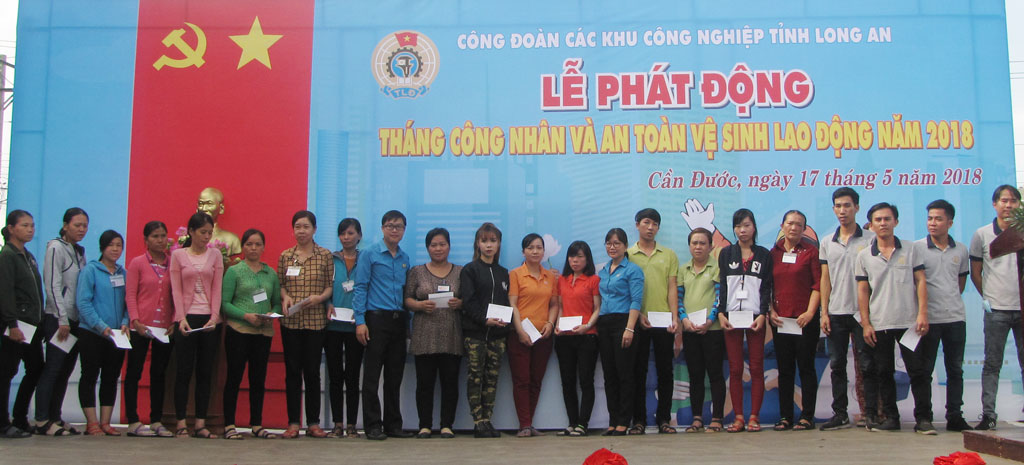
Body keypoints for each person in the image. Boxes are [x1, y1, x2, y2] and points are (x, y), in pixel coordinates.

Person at [856, 202, 933, 434]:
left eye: (887, 219)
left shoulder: (911, 249)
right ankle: (891, 418)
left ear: (896, 222)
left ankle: (924, 419)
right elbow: (862, 291)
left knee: (918, 372)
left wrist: (922, 313)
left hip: (910, 323)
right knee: (884, 373)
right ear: (871, 225)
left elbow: (920, 280)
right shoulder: (864, 256)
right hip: (880, 323)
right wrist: (866, 323)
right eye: (878, 220)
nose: (883, 223)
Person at [818, 187, 876, 431]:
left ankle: (871, 414)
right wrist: (824, 312)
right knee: (837, 365)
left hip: (863, 314)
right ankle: (840, 413)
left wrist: (869, 317)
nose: (843, 210)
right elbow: (825, 279)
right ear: (834, 209)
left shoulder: (871, 239)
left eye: (847, 206)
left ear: (857, 208)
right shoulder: (826, 242)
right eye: (838, 206)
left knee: (867, 365)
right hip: (837, 311)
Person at [916, 200, 972, 432]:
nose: (932, 223)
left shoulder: (961, 250)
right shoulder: (917, 249)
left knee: (955, 370)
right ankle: (924, 417)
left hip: (955, 318)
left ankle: (955, 416)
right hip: (928, 319)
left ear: (950, 222)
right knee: (924, 371)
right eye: (930, 218)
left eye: (938, 219)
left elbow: (960, 283)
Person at [353, 210, 410, 440]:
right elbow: (360, 287)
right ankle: (373, 425)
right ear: (382, 228)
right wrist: (360, 322)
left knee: (394, 377)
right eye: (390, 226)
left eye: (399, 226)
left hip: (399, 321)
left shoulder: (404, 258)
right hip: (376, 320)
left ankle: (393, 425)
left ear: (404, 230)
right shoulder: (369, 254)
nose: (394, 230)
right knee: (372, 377)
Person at [277, 210, 334, 438]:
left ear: (314, 229)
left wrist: (320, 298)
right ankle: (293, 423)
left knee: (312, 372)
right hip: (291, 321)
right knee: (292, 372)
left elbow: (330, 286)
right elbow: (281, 284)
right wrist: (285, 297)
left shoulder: (324, 255)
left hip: (315, 322)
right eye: (298, 227)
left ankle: (313, 423)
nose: (301, 231)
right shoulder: (285, 256)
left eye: (306, 227)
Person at [972, 185, 1024, 430]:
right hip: (997, 311)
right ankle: (989, 415)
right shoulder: (982, 234)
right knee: (992, 364)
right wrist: (988, 297)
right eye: (1004, 200)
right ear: (995, 204)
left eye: (1013, 201)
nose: (1008, 205)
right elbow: (976, 272)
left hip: (1022, 309)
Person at [221, 229, 281, 440]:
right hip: (239, 331)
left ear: (263, 247)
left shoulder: (270, 273)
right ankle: (229, 424)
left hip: (263, 333)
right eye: (249, 244)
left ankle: (256, 424)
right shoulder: (234, 271)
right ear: (243, 247)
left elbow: (276, 302)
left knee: (258, 379)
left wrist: (271, 314)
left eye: (257, 244)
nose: (253, 248)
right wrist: (245, 316)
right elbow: (224, 304)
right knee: (234, 377)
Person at [404, 228, 463, 439]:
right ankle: (425, 426)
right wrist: (419, 305)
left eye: (442, 244)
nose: (438, 249)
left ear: (449, 246)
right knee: (424, 384)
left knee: (450, 383)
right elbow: (407, 299)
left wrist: (460, 303)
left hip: (452, 335)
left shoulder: (460, 272)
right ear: (427, 248)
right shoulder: (417, 271)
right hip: (424, 335)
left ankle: (447, 425)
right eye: (434, 245)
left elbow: (468, 299)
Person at [34, 207, 88, 436]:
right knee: (53, 369)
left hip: (74, 320)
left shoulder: (79, 251)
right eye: (77, 225)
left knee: (65, 371)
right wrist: (62, 318)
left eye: (85, 226)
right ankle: (41, 420)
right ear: (65, 226)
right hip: (58, 319)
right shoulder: (55, 248)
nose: (81, 229)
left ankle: (55, 416)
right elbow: (52, 284)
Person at [170, 212, 224, 438]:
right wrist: (180, 318)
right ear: (191, 232)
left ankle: (201, 423)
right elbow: (176, 288)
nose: (206, 237)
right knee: (183, 371)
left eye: (210, 233)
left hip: (209, 320)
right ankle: (181, 422)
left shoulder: (215, 255)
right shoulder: (178, 255)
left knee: (205, 372)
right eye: (203, 232)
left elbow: (217, 288)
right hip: (186, 319)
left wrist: (214, 316)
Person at [718, 208, 772, 433]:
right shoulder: (726, 254)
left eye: (747, 225)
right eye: (738, 226)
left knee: (757, 368)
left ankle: (754, 417)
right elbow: (722, 285)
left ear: (754, 227)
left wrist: (763, 314)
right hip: (731, 318)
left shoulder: (764, 254)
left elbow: (766, 287)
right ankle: (739, 417)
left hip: (755, 318)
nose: (742, 230)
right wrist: (721, 313)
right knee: (735, 369)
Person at [626, 208, 679, 434]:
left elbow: (672, 287)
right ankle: (638, 420)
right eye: (646, 222)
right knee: (638, 372)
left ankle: (664, 419)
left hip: (664, 321)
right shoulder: (628, 254)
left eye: (655, 224)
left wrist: (675, 317)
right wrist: (638, 315)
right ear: (637, 224)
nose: (650, 227)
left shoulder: (669, 254)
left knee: (665, 371)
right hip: (638, 321)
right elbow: (625, 290)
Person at [767, 211, 821, 431]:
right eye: (790, 223)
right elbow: (767, 286)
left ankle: (807, 416)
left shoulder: (811, 252)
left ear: (804, 229)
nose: (794, 228)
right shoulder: (773, 253)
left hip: (804, 321)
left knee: (806, 368)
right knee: (785, 370)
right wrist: (770, 311)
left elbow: (818, 286)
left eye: (799, 225)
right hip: (781, 321)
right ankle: (785, 417)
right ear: (782, 225)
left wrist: (809, 313)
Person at [123, 221, 175, 437]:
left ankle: (156, 420)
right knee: (134, 372)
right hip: (141, 327)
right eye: (155, 236)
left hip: (164, 327)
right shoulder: (137, 263)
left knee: (159, 374)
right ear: (146, 240)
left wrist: (173, 320)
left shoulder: (173, 263)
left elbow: (177, 294)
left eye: (163, 236)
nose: (160, 240)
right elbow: (130, 294)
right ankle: (133, 420)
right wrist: (135, 320)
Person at [460, 222, 510, 438]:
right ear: (477, 244)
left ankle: (487, 419)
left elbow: (507, 303)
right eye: (484, 241)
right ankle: (478, 420)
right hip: (475, 334)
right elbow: (468, 302)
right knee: (475, 377)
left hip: (498, 336)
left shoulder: (503, 273)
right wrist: (484, 320)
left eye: (493, 241)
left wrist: (505, 321)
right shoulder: (470, 270)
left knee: (492, 378)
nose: (489, 245)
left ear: (499, 244)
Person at [76, 230, 129, 436]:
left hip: (116, 335)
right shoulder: (90, 270)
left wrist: (124, 323)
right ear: (102, 247)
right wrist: (100, 326)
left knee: (111, 377)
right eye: (111, 245)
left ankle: (106, 422)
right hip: (92, 333)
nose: (115, 249)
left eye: (119, 245)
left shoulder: (123, 273)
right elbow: (83, 302)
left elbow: (128, 303)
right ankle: (92, 423)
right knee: (89, 376)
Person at [509, 233, 558, 437]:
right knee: (522, 380)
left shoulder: (550, 277)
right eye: (530, 248)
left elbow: (554, 304)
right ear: (523, 251)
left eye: (539, 247)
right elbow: (513, 304)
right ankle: (524, 425)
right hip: (519, 335)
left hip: (543, 336)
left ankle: (529, 423)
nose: (535, 251)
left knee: (536, 380)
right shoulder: (515, 274)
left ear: (544, 251)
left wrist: (550, 323)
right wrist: (520, 331)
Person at [0, 210, 44, 439]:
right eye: (25, 225)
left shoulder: (27, 256)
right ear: (11, 229)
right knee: (6, 372)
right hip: (16, 325)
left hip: (32, 325)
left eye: (32, 225)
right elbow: (5, 291)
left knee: (36, 367)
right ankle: (3, 423)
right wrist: (12, 324)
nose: (30, 229)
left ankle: (20, 418)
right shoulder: (7, 255)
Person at [597, 228, 644, 436]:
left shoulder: (633, 270)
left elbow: (636, 301)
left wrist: (629, 328)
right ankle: (613, 420)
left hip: (624, 322)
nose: (612, 247)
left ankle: (624, 420)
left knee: (625, 374)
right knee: (609, 375)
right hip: (604, 323)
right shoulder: (603, 270)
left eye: (617, 243)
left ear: (625, 246)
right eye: (609, 243)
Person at [678, 227, 725, 433]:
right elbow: (679, 298)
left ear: (711, 246)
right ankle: (697, 418)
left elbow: (720, 297)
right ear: (689, 246)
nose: (698, 247)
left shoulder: (717, 268)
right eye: (694, 243)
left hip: (712, 330)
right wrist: (684, 319)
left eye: (702, 243)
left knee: (715, 374)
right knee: (695, 375)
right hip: (690, 330)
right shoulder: (683, 269)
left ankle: (717, 418)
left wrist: (710, 320)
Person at [554, 240, 601, 437]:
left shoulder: (594, 280)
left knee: (586, 381)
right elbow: (561, 307)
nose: (575, 260)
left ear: (587, 259)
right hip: (564, 337)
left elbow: (598, 308)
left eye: (580, 256)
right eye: (572, 256)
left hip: (587, 336)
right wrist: (557, 325)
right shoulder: (562, 280)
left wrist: (587, 326)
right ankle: (572, 423)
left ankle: (583, 424)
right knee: (567, 381)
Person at [326, 218, 365, 438]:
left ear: (359, 235)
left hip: (355, 326)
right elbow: (323, 286)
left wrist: (361, 316)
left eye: (350, 233)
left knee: (352, 376)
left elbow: (368, 288)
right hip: (332, 326)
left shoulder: (365, 259)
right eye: (342, 233)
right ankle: (337, 424)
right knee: (335, 376)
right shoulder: (331, 259)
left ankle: (351, 425)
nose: (346, 237)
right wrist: (327, 304)